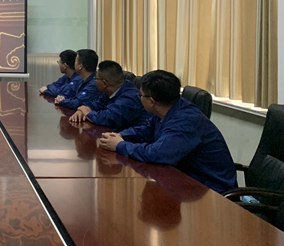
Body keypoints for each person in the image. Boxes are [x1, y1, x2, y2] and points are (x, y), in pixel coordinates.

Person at [100, 70, 237, 193]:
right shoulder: (167, 109)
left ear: (151, 101)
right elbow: (145, 130)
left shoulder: (185, 121)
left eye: (140, 95)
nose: (139, 98)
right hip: (184, 180)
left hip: (211, 190)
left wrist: (120, 145)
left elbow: (157, 154)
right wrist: (120, 136)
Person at [69, 60, 151, 131]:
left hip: (135, 138)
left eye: (96, 79)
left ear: (104, 83)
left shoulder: (130, 97)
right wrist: (82, 110)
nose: (94, 81)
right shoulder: (110, 91)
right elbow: (96, 104)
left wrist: (87, 113)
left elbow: (109, 118)